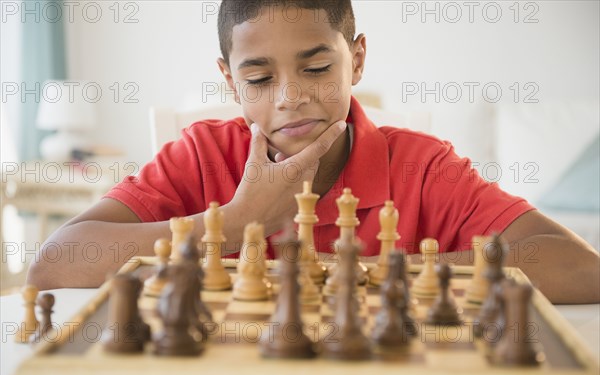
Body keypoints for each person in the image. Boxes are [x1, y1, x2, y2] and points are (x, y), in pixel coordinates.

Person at [27, 0, 599, 303]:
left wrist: (380, 273)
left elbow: (581, 268)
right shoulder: (200, 156)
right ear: (230, 83)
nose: (292, 98)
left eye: (318, 68)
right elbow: (54, 262)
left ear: (359, 58)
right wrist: (233, 223)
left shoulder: (425, 167)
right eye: (258, 79)